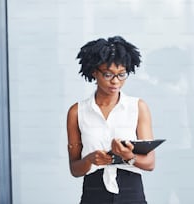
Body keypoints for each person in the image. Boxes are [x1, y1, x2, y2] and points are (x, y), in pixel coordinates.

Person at [66, 36, 155, 204]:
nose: (116, 81)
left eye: (122, 74)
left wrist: (129, 156)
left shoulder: (137, 107)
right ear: (94, 72)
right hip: (93, 191)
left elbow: (150, 163)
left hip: (131, 191)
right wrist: (90, 160)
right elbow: (75, 169)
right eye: (108, 74)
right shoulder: (77, 112)